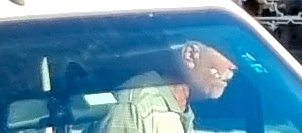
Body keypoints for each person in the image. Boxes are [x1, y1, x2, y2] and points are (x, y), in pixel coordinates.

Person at [94, 41, 239, 133]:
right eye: (227, 52)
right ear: (190, 55)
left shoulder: (180, 108)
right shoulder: (136, 108)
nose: (233, 67)